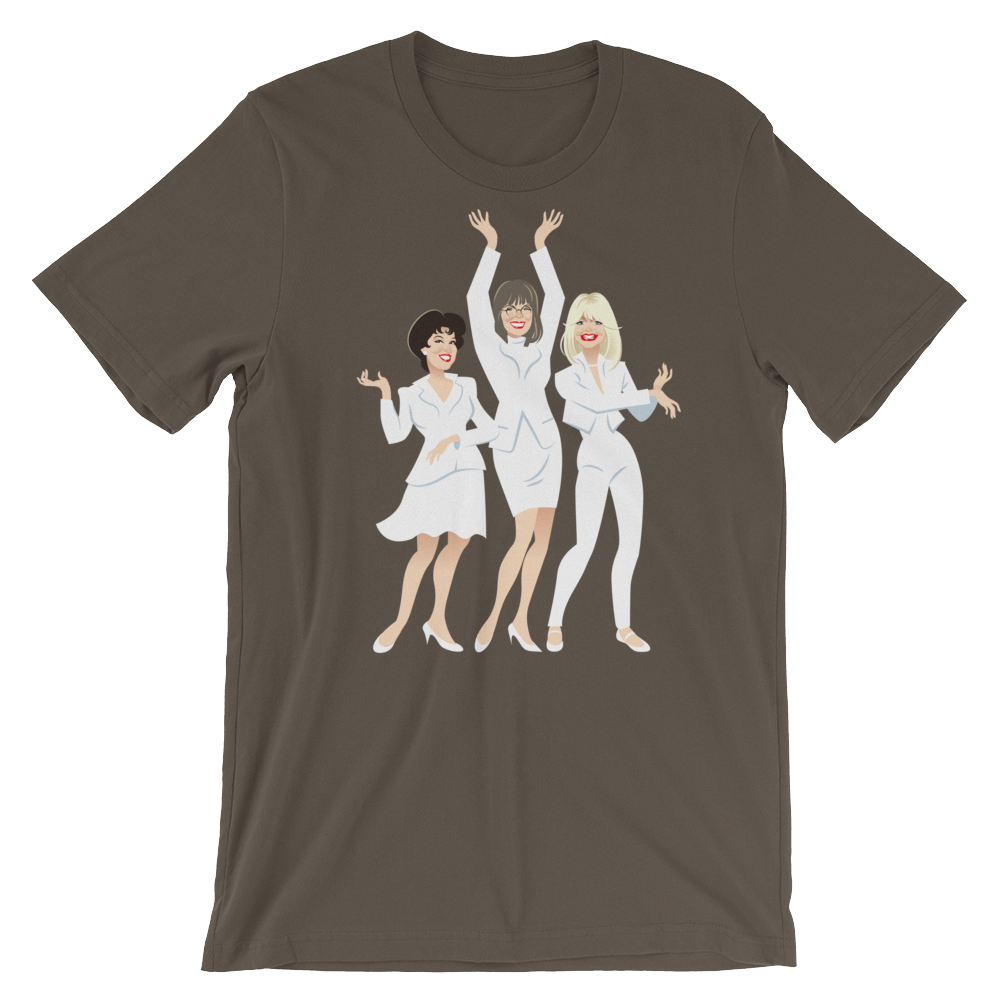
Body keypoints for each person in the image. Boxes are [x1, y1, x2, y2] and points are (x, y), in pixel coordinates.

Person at [546, 293, 680, 652]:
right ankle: (555, 620)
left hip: (623, 455)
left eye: (596, 321)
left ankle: (624, 627)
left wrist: (653, 395)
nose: (588, 328)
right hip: (592, 457)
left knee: (631, 545)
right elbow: (598, 404)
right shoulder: (564, 378)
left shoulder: (619, 370)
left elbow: (639, 415)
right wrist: (644, 392)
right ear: (571, 329)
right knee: (584, 544)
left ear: (607, 328)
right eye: (581, 321)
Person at [358, 310, 497, 653]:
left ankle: (437, 619)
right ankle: (400, 621)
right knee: (425, 550)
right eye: (438, 341)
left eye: (452, 342)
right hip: (431, 474)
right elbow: (395, 435)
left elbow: (491, 428)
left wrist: (454, 438)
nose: (447, 348)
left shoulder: (467, 385)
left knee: (457, 546)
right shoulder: (411, 393)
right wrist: (386, 395)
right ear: (423, 349)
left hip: (466, 471)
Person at [466, 209, 565, 651]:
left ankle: (522, 620)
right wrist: (491, 247)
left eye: (525, 307)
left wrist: (540, 246)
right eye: (509, 307)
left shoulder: (541, 349)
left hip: (548, 444)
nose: (518, 313)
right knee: (521, 534)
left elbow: (557, 297)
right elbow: (474, 298)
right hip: (511, 447)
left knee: (544, 537)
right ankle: (492, 617)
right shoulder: (491, 349)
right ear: (500, 315)